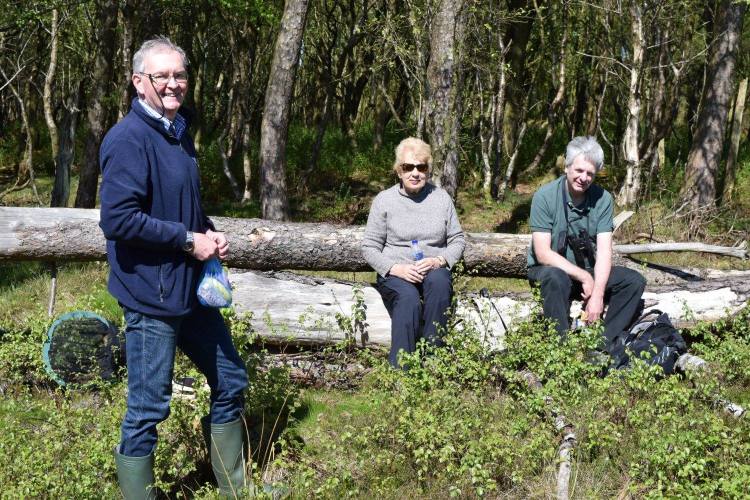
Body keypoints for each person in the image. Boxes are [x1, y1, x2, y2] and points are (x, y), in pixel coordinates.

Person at [99, 37, 248, 499]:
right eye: (160, 76)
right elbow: (118, 219)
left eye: (179, 75)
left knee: (231, 381)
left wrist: (208, 230)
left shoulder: (177, 131)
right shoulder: (128, 138)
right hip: (151, 295)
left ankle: (232, 491)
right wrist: (188, 240)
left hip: (189, 292)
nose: (172, 84)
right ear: (138, 81)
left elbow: (182, 205)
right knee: (148, 407)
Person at [527, 136, 646, 345]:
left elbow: (605, 251)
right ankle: (559, 349)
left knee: (634, 281)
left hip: (587, 272)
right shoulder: (544, 197)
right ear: (567, 167)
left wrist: (598, 293)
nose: (584, 177)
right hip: (550, 271)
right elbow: (543, 253)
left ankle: (603, 345)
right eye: (579, 170)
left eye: (590, 173)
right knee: (556, 278)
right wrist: (584, 277)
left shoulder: (603, 199)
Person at [362, 137, 466, 368]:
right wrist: (397, 269)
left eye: (422, 167)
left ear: (428, 170)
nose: (415, 173)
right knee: (408, 299)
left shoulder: (441, 199)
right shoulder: (385, 201)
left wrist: (440, 260)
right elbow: (369, 247)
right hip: (396, 272)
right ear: (399, 171)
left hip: (433, 268)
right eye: (408, 167)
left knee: (440, 284)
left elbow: (457, 239)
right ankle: (402, 370)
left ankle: (433, 362)